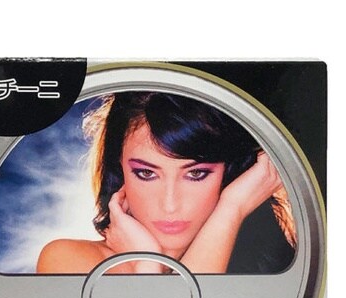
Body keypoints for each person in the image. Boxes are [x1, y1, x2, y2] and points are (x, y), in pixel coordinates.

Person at [37, 92, 296, 274]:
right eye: (146, 174)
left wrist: (232, 206)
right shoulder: (70, 262)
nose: (170, 204)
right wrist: (147, 264)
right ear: (120, 170)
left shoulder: (276, 267)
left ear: (231, 174)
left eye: (196, 174)